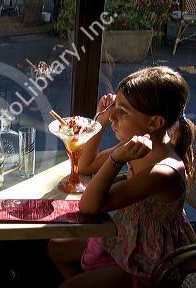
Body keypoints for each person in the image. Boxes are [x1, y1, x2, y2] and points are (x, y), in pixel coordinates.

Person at [48, 66, 196, 287]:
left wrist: (116, 159)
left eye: (123, 111)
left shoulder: (164, 172)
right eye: (115, 105)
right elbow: (87, 165)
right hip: (126, 236)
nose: (114, 115)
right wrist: (104, 119)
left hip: (147, 259)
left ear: (154, 122)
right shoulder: (141, 143)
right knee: (55, 248)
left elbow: (89, 205)